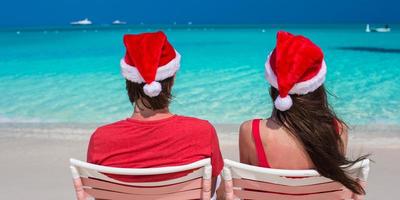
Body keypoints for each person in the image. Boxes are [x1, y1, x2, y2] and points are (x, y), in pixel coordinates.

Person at [87, 31, 223, 196]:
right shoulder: (202, 131)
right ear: (171, 81)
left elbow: (98, 195)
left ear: (129, 81)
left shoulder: (101, 139)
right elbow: (209, 192)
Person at [239, 31, 367, 195]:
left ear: (272, 83)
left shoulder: (251, 131)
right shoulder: (338, 130)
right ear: (317, 85)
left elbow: (248, 189)